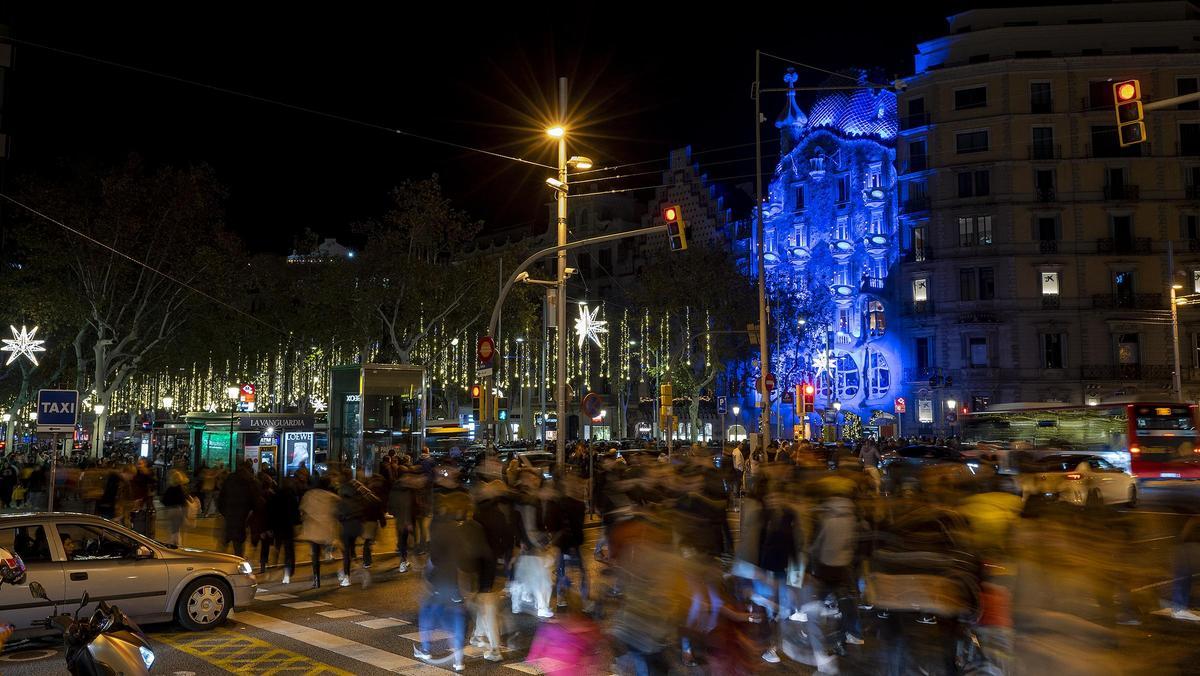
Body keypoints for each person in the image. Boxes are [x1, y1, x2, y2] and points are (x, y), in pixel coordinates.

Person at [297, 477, 339, 588]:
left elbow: (302, 511)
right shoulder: (329, 496)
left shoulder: (309, 495)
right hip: (326, 530)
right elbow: (339, 507)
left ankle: (317, 579)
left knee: (315, 556)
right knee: (329, 550)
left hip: (312, 530)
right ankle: (337, 568)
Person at [217, 461, 261, 558]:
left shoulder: (230, 478)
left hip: (228, 516)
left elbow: (221, 498)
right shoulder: (251, 481)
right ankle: (238, 564)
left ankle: (219, 564)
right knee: (238, 546)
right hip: (242, 518)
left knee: (223, 544)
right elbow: (256, 502)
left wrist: (225, 512)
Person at [267, 477, 301, 584]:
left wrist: (270, 526)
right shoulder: (292, 497)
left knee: (277, 548)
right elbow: (295, 514)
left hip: (278, 526)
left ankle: (273, 567)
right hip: (288, 527)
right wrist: (297, 525)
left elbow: (271, 512)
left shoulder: (276, 496)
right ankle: (287, 574)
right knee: (288, 551)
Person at [160, 465, 190, 547]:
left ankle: (174, 543)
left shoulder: (170, 489)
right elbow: (184, 502)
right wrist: (185, 515)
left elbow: (164, 500)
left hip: (171, 510)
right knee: (176, 530)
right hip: (178, 510)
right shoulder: (180, 489)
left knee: (173, 530)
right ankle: (176, 543)